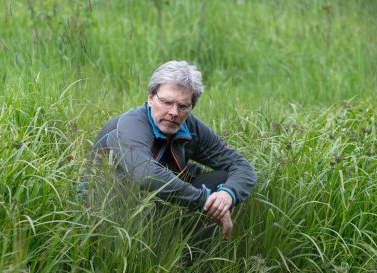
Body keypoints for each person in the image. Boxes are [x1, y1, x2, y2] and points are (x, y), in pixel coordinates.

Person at [83, 60, 256, 238]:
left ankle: (190, 257)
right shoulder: (130, 126)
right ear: (150, 97)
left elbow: (242, 165)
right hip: (106, 214)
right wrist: (204, 201)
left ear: (192, 106)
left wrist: (226, 196)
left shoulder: (190, 126)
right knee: (154, 193)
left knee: (224, 180)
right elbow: (145, 175)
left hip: (157, 207)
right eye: (166, 102)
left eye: (183, 106)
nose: (174, 112)